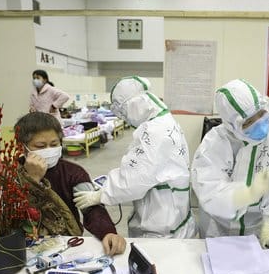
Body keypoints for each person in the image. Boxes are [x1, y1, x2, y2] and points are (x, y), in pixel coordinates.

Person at [190, 79, 269, 261]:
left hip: (257, 226)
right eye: (248, 122)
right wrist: (246, 195)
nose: (259, 123)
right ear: (230, 124)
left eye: (261, 114)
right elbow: (210, 191)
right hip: (218, 227)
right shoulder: (214, 143)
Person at [73, 76, 197, 238]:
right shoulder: (163, 120)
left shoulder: (155, 132)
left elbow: (135, 179)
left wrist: (102, 194)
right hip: (171, 210)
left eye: (124, 112)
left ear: (133, 105)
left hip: (162, 225)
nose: (125, 118)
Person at [15, 112, 126, 255]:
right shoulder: (11, 175)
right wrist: (33, 180)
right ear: (23, 147)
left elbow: (91, 208)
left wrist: (108, 232)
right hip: (22, 247)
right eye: (41, 146)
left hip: (66, 242)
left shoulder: (73, 173)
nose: (49, 150)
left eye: (54, 144)